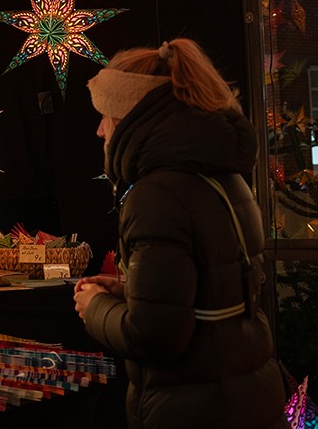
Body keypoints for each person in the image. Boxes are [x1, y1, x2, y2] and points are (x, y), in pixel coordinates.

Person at [72, 38, 286, 429]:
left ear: (130, 115)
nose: (100, 131)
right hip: (249, 400)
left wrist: (95, 309)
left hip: (195, 410)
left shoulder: (156, 195)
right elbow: (217, 292)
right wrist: (133, 292)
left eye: (106, 116)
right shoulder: (225, 177)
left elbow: (156, 337)